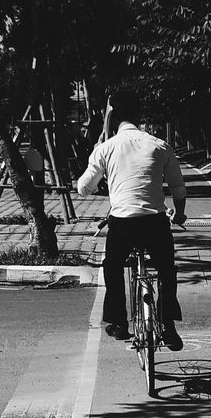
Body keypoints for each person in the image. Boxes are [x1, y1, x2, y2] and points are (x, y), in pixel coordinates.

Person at [76, 91, 187, 349]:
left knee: (112, 267)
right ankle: (167, 324)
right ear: (139, 116)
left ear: (113, 119)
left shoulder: (106, 148)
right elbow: (178, 189)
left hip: (122, 224)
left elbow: (84, 188)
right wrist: (179, 214)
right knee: (167, 270)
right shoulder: (160, 145)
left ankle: (119, 322)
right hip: (155, 223)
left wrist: (95, 155)